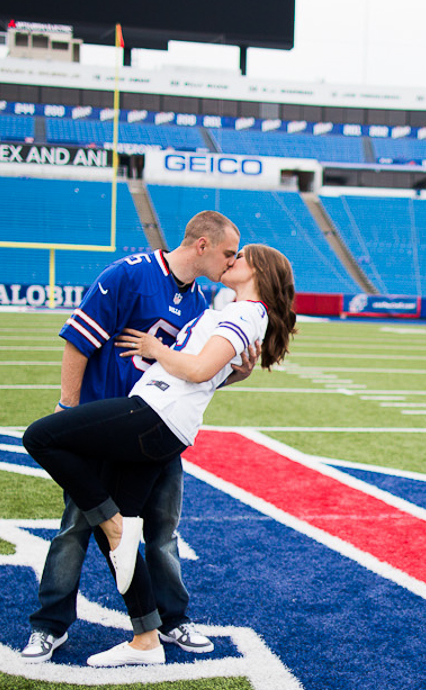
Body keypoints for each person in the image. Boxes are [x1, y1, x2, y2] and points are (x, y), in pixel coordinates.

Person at [21, 244, 298, 667]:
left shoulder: (246, 313)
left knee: (41, 438)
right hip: (163, 418)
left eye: (238, 256)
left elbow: (198, 371)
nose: (231, 261)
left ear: (257, 269)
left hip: (155, 416)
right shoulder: (232, 308)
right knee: (121, 533)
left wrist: (155, 348)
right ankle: (146, 637)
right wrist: (234, 372)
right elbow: (209, 373)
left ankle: (110, 522)